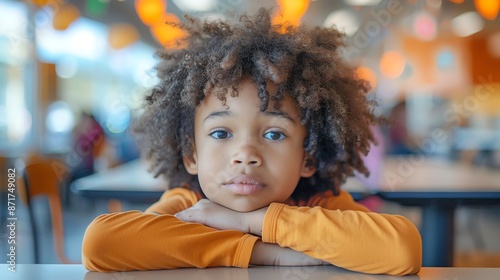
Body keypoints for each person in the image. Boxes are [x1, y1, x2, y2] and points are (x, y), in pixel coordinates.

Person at [82, 9, 421, 275]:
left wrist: (250, 222)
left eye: (274, 134)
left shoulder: (315, 203)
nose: (245, 155)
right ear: (191, 154)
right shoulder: (190, 204)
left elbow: (401, 250)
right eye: (221, 133)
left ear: (309, 157)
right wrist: (262, 254)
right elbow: (102, 243)